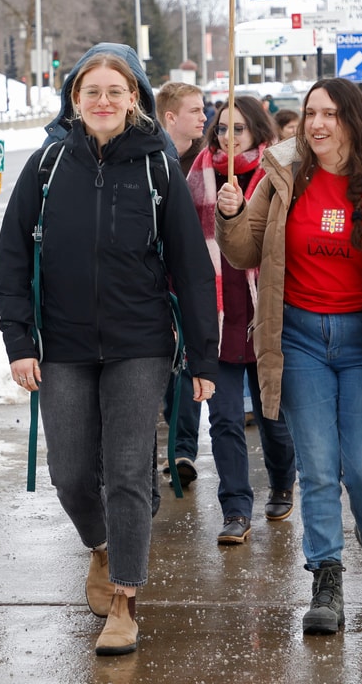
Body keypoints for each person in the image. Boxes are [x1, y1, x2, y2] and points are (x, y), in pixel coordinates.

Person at [0, 46, 219, 656]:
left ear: (135, 99)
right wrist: (20, 341)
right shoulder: (45, 167)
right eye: (91, 91)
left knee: (126, 471)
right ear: (75, 100)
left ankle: (125, 598)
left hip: (138, 344)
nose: (103, 101)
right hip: (62, 344)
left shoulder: (157, 168)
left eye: (115, 91)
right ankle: (100, 546)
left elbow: (192, 269)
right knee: (69, 474)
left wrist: (203, 357)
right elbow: (11, 261)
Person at [216, 78, 362, 636]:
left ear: (351, 119)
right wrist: (230, 216)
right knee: (319, 470)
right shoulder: (282, 177)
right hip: (298, 340)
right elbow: (246, 249)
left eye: (329, 114)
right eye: (310, 114)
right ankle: (326, 578)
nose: (317, 124)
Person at [188, 96, 298, 544]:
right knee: (225, 420)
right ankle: (235, 508)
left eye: (239, 129)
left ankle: (282, 482)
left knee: (272, 415)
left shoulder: (277, 174)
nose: (228, 137)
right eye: (222, 129)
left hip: (267, 315)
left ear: (257, 131)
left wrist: (239, 211)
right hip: (219, 318)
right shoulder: (197, 176)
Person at [154, 80, 208, 487]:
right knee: (169, 371)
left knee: (187, 366)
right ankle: (171, 448)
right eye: (195, 111)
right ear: (170, 117)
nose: (204, 118)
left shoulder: (201, 161)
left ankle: (182, 449)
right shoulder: (156, 161)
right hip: (160, 284)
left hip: (195, 279)